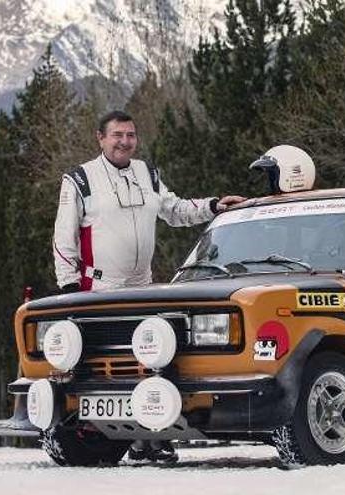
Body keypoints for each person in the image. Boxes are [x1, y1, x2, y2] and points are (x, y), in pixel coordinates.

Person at [52, 110, 245, 461]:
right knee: (111, 366)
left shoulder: (148, 174)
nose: (125, 142)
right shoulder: (80, 179)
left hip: (142, 287)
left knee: (152, 359)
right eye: (117, 135)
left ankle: (152, 436)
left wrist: (214, 206)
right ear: (100, 138)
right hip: (99, 289)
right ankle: (97, 432)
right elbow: (63, 239)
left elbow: (175, 210)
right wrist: (69, 291)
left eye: (130, 135)